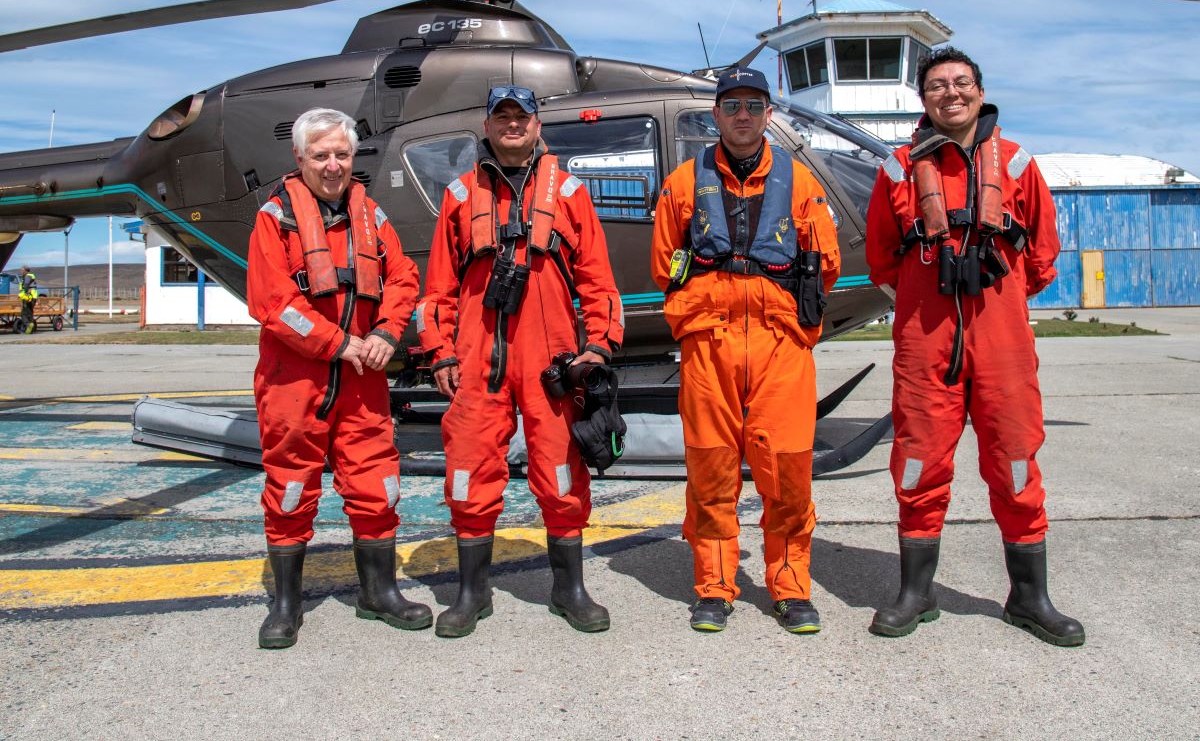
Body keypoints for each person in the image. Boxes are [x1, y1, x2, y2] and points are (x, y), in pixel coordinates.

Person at [865, 47, 1084, 647]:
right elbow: (882, 256)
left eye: (961, 83)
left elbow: (1041, 254)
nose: (950, 94)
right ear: (923, 98)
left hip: (1002, 341)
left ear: (980, 92)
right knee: (917, 461)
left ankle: (1029, 597)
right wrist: (920, 301)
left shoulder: (1016, 163)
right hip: (924, 341)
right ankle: (916, 591)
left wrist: (1002, 298)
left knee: (1015, 459)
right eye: (937, 85)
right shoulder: (897, 168)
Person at [416, 85, 624, 638]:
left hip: (551, 359)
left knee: (560, 473)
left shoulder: (571, 193)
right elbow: (436, 288)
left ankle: (569, 589)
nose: (512, 124)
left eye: (522, 116)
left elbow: (599, 282)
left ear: (537, 125)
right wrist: (439, 351)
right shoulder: (459, 195)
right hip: (477, 358)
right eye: (501, 116)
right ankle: (471, 593)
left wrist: (598, 346)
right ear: (486, 126)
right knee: (468, 471)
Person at [650, 66, 841, 634]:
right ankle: (714, 587)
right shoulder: (683, 183)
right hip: (709, 341)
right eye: (731, 105)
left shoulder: (801, 182)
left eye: (753, 106)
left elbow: (825, 263)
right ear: (715, 114)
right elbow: (665, 263)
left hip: (780, 344)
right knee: (711, 469)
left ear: (768, 114)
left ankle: (790, 587)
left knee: (786, 470)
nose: (742, 115)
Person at [246, 107, 430, 649]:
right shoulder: (274, 220)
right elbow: (274, 303)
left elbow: (403, 277)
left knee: (376, 482)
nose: (332, 165)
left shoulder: (370, 215)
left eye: (342, 155)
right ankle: (285, 605)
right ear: (299, 159)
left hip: (363, 376)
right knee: (290, 484)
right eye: (321, 155)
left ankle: (379, 592)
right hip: (295, 378)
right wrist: (340, 343)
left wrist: (388, 333)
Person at [17, 267, 37, 334]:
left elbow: (26, 286)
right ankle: (31, 329)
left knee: (23, 314)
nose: (21, 272)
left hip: (28, 297)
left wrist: (21, 295)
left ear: (25, 271)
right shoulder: (31, 276)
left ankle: (28, 325)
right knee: (30, 313)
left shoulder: (27, 277)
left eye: (22, 270)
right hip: (33, 297)